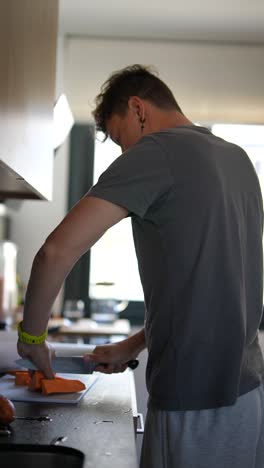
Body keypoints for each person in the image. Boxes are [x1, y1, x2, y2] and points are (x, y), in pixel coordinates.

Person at [17, 64, 264, 468]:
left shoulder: (156, 151)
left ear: (138, 109)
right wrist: (132, 345)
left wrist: (32, 337)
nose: (123, 153)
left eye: (119, 139)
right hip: (249, 396)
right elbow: (211, 288)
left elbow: (55, 252)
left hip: (193, 402)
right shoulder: (236, 159)